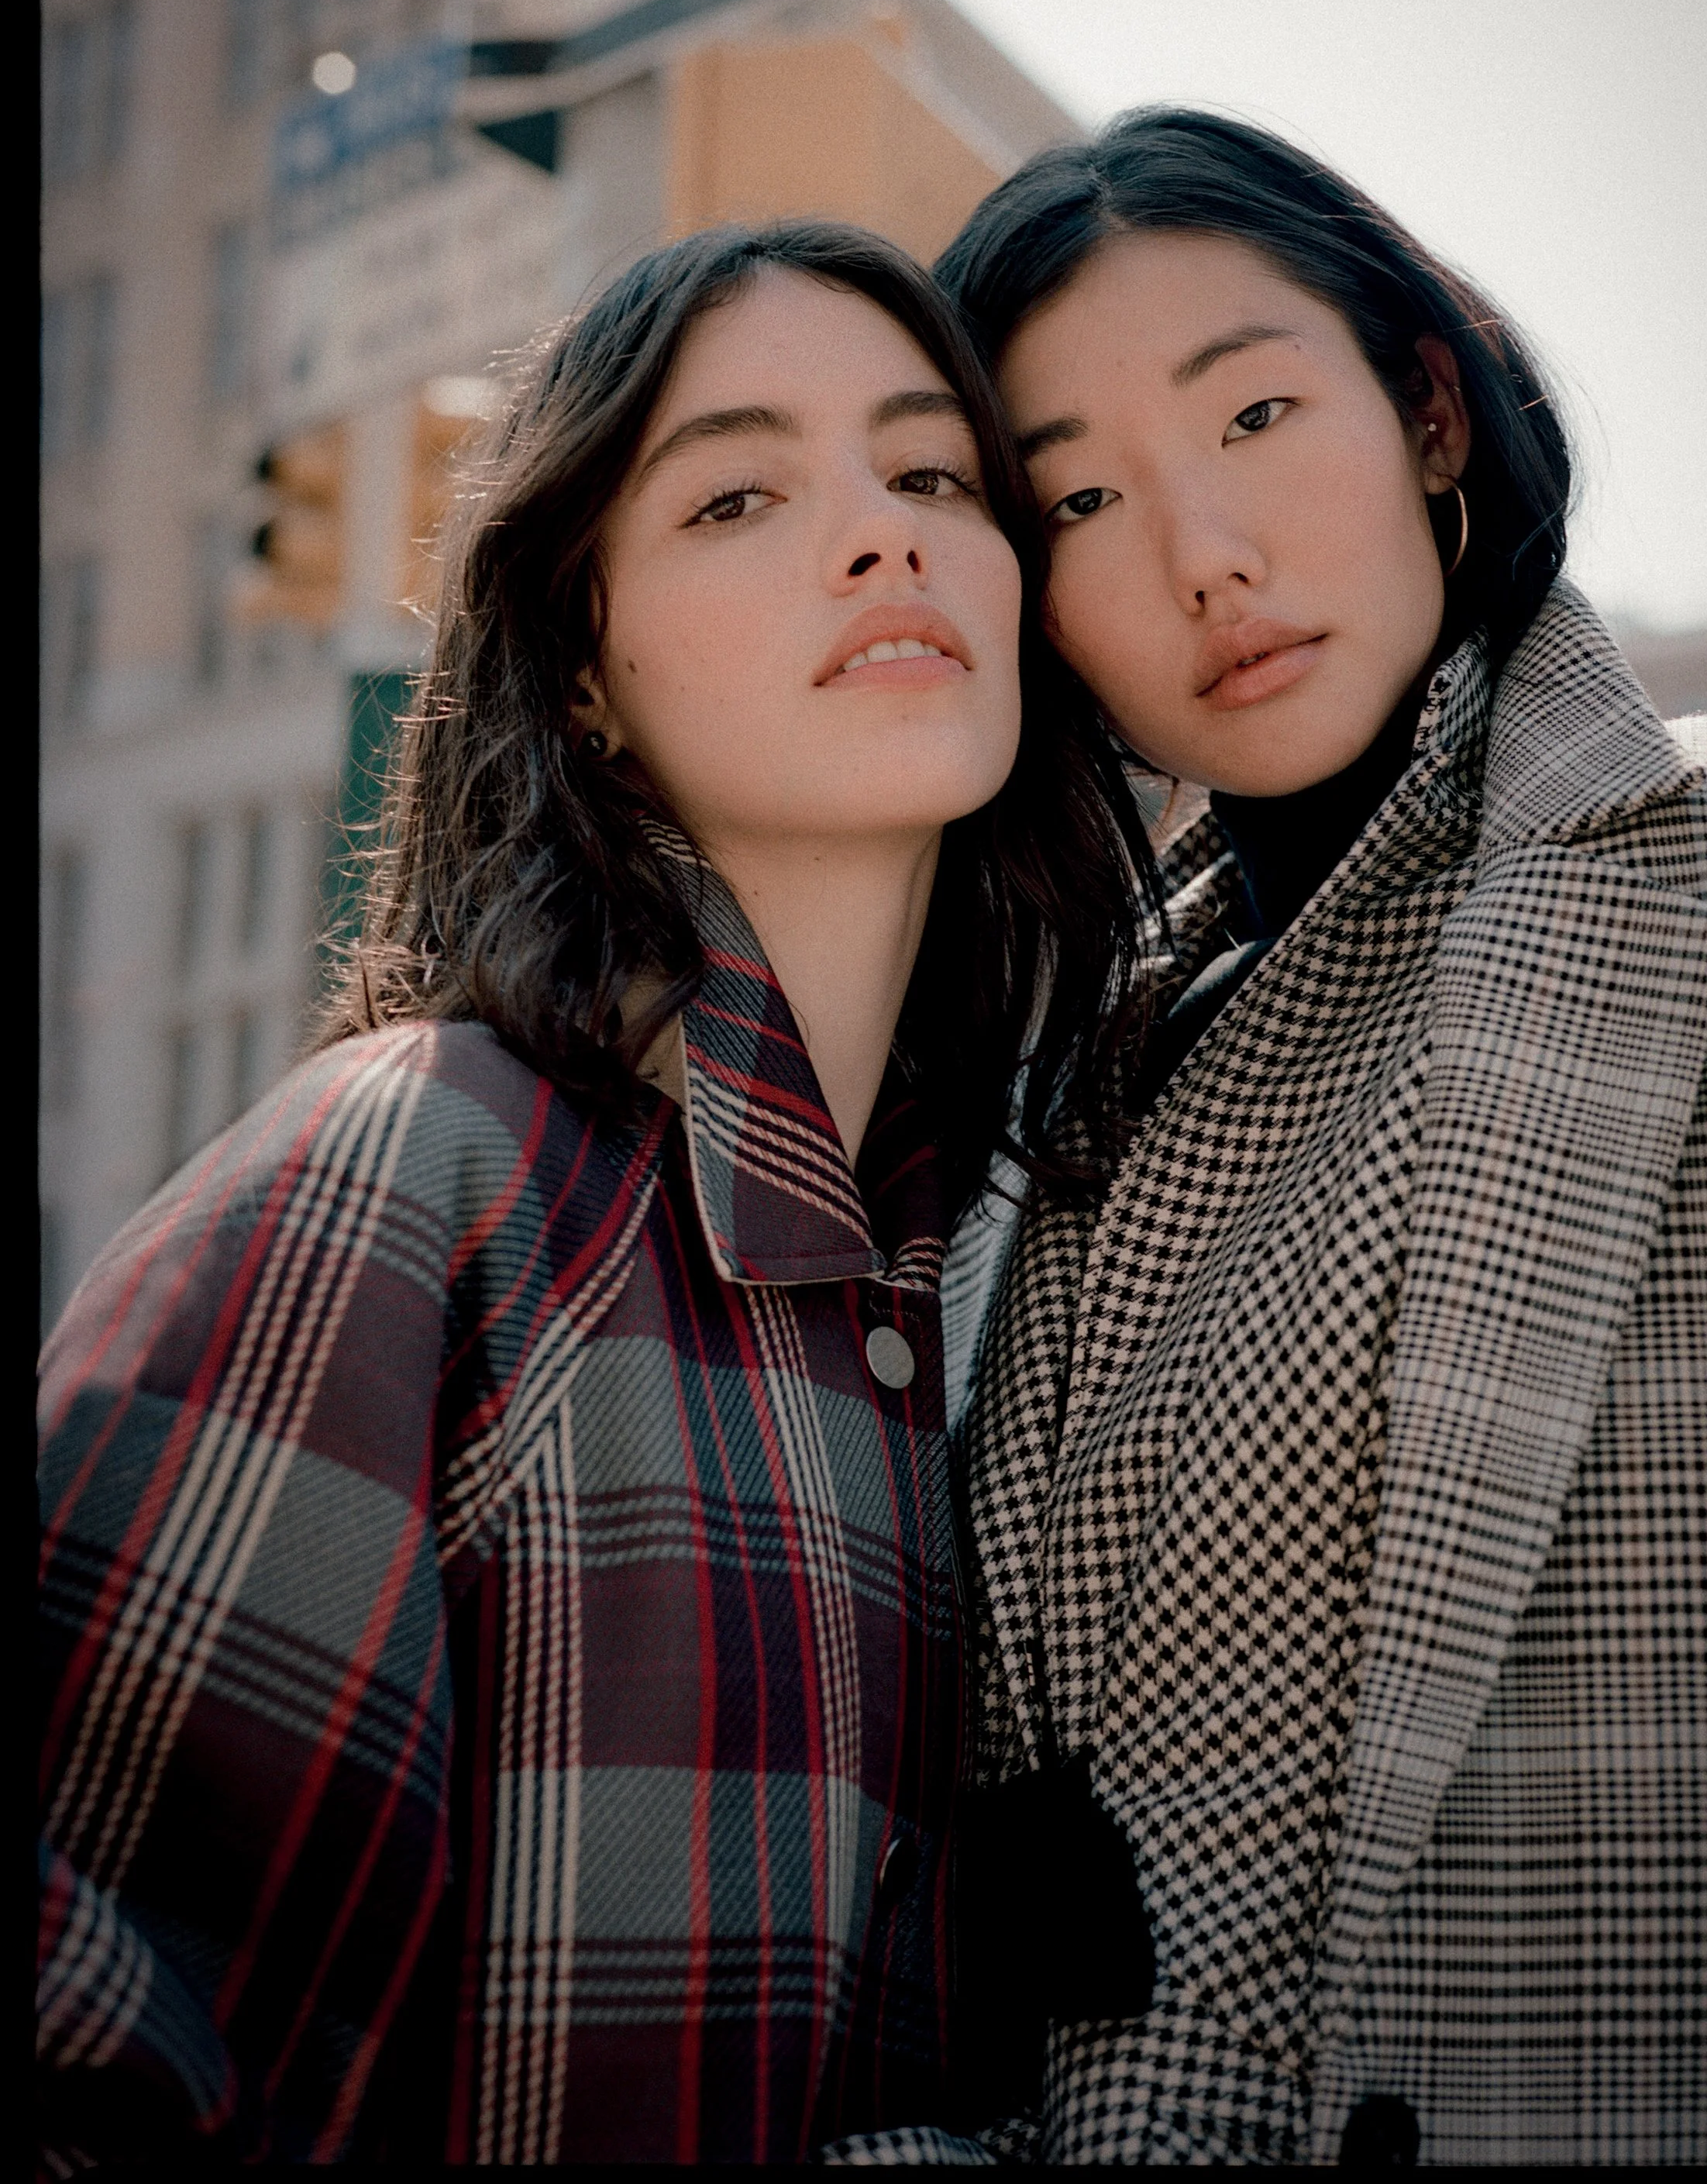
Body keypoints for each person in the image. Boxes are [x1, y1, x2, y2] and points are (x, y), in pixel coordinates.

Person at [36, 222, 1152, 2165]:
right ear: (581, 675)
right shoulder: (405, 1185)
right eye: (736, 490)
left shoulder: (994, 1268)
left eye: (930, 473)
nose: (881, 535)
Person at [905, 109, 1707, 2172]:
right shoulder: (1047, 1102)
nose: (1204, 555)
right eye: (1075, 495)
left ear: (1428, 409)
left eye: (1255, 411)